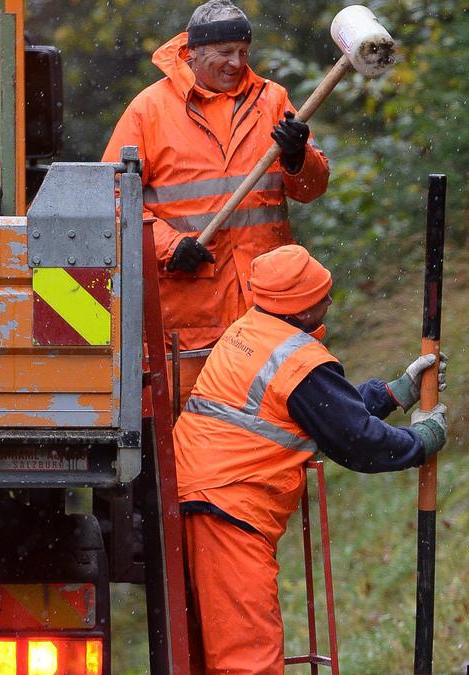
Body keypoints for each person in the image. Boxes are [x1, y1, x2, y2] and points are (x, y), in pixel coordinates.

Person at [173, 245, 448, 673]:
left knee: (215, 656)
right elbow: (356, 442)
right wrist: (422, 439)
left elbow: (320, 414)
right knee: (248, 662)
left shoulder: (251, 330)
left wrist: (393, 393)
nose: (330, 303)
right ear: (301, 311)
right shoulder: (299, 360)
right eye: (323, 297)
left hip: (204, 498)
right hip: (228, 508)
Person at [102, 0, 330, 398]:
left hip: (270, 308)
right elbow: (112, 198)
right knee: (188, 430)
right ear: (193, 53)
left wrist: (298, 158)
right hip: (191, 314)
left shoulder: (272, 102)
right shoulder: (149, 111)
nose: (236, 63)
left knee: (269, 425)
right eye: (225, 53)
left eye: (243, 52)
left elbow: (312, 189)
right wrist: (171, 246)